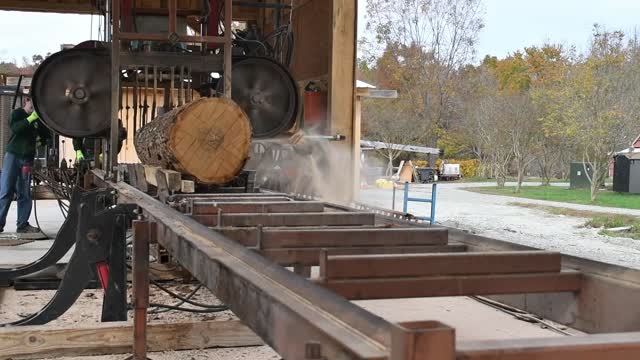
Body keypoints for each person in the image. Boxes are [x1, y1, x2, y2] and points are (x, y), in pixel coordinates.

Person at [0, 97, 50, 234]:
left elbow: (47, 135)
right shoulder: (17, 114)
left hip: (27, 159)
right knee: (5, 190)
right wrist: (30, 118)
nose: (34, 106)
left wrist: (41, 141)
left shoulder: (38, 119)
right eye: (32, 103)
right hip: (13, 156)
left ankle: (23, 225)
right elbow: (16, 128)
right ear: (26, 101)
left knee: (24, 192)